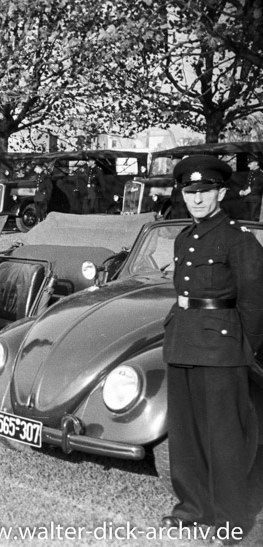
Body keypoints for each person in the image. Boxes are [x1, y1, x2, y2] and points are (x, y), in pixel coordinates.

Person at [161, 155, 263, 545]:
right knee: (185, 435)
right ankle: (192, 509)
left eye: (204, 192)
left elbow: (255, 303)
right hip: (183, 339)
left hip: (221, 348)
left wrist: (241, 345)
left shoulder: (239, 239)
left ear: (220, 192)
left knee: (224, 438)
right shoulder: (185, 238)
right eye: (190, 192)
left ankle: (229, 521)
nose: (197, 199)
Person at [238, 155, 262, 221]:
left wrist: (250, 190)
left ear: (256, 163)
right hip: (247, 198)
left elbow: (259, 187)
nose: (248, 166)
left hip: (255, 199)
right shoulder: (251, 173)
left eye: (250, 164)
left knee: (254, 218)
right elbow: (247, 184)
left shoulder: (261, 174)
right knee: (245, 217)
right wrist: (242, 190)